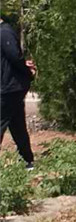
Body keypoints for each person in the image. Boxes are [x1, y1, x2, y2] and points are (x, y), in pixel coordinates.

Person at [1, 15, 35, 170]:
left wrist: (27, 73)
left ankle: (27, 160)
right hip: (9, 87)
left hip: (9, 88)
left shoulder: (5, 32)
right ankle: (27, 161)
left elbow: (14, 56)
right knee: (17, 124)